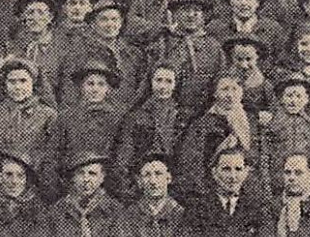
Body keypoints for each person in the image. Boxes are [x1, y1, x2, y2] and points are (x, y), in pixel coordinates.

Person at [0, 59, 60, 201]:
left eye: (23, 81)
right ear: (4, 84)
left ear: (33, 83)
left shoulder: (48, 116)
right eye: (12, 81)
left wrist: (48, 193)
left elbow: (53, 158)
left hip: (35, 192)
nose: (17, 87)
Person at [174, 72, 264, 209]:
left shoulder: (252, 121)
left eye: (235, 89)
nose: (230, 95)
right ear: (215, 94)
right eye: (224, 89)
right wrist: (203, 195)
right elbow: (191, 162)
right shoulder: (202, 124)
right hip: (212, 193)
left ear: (241, 91)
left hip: (248, 192)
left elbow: (261, 157)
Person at [47, 63, 126, 198]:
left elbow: (122, 156)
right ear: (81, 87)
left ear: (108, 89)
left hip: (107, 188)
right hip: (70, 188)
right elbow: (53, 155)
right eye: (90, 84)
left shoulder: (118, 118)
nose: (95, 89)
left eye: (101, 84)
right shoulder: (66, 117)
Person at [113, 63, 183, 199]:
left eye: (169, 81)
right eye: (158, 80)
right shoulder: (135, 117)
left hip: (174, 190)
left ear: (176, 85)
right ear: (150, 82)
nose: (163, 87)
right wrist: (131, 191)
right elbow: (122, 160)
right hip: (141, 188)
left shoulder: (183, 118)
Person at [151, 0, 224, 119]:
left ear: (204, 15)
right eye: (185, 10)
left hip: (203, 114)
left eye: (196, 11)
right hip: (167, 113)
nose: (191, 15)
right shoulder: (164, 42)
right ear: (176, 14)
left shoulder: (213, 46)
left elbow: (221, 79)